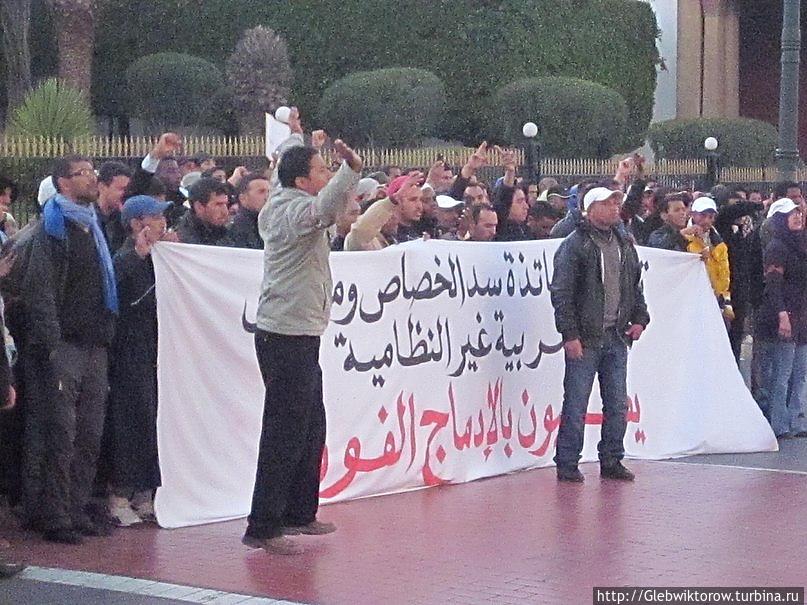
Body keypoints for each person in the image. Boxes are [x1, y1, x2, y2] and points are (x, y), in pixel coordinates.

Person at [244, 139, 362, 556]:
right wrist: (350, 169)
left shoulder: (289, 198)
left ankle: (298, 511)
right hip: (285, 336)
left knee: (311, 424)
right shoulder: (287, 210)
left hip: (302, 333)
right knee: (283, 430)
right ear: (300, 180)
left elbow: (330, 207)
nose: (326, 176)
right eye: (320, 170)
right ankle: (263, 525)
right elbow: (323, 210)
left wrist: (300, 140)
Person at [20, 156, 117, 543]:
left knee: (90, 434)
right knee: (61, 433)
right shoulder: (52, 230)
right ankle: (53, 513)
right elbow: (40, 292)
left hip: (95, 343)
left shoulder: (93, 226)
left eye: (93, 173)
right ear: (63, 182)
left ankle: (76, 507)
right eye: (84, 174)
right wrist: (52, 343)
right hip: (65, 346)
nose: (93, 179)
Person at [550, 186, 650, 482]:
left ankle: (612, 458)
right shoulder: (575, 245)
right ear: (591, 208)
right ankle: (567, 462)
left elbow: (635, 286)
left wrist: (640, 318)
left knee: (618, 403)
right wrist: (570, 335)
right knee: (577, 403)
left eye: (616, 203)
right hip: (586, 338)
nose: (614, 208)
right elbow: (562, 293)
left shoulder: (624, 243)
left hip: (617, 337)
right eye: (607, 203)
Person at [106, 195, 175, 527]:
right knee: (131, 421)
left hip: (155, 352)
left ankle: (145, 493)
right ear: (137, 224)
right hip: (130, 352)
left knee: (153, 420)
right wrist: (139, 255)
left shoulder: (162, 258)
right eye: (156, 218)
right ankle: (119, 494)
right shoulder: (124, 258)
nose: (163, 224)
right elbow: (117, 295)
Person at [754, 198, 807, 439]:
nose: (797, 217)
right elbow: (773, 285)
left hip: (802, 315)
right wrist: (782, 314)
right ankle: (779, 423)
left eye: (798, 213)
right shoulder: (777, 247)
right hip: (786, 314)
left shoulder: (802, 245)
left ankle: (796, 420)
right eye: (790, 214)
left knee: (800, 373)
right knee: (782, 374)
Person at [220, 174, 271, 250]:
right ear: (243, 198)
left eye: (269, 192)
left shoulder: (272, 223)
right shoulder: (236, 229)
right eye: (261, 192)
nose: (267, 197)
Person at [175, 177, 230, 246]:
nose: (225, 211)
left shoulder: (224, 229)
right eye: (218, 205)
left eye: (226, 204)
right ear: (199, 207)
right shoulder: (184, 239)